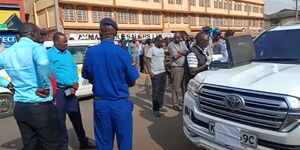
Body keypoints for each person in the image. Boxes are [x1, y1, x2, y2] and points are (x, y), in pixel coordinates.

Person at [0, 23, 60, 149]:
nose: (41, 36)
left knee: (30, 144)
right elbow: (43, 63)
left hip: (20, 107)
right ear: (32, 33)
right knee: (52, 144)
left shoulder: (6, 53)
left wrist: (7, 84)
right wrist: (45, 87)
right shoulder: (36, 48)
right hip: (40, 106)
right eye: (40, 33)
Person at [82, 18, 139, 150]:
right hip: (120, 104)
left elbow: (88, 77)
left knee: (103, 142)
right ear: (116, 34)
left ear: (100, 32)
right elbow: (132, 81)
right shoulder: (122, 53)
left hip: (101, 103)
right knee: (124, 141)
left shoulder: (90, 52)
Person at [47, 32, 96, 150]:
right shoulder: (49, 55)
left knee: (77, 118)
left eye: (66, 41)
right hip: (59, 92)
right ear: (55, 42)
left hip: (71, 91)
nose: (66, 43)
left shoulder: (67, 53)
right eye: (63, 42)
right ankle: (63, 146)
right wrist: (67, 84)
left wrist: (75, 84)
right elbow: (51, 74)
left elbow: (74, 68)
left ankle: (83, 142)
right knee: (60, 122)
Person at [146, 36, 166, 118]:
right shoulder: (152, 49)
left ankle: (160, 106)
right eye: (160, 42)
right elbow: (147, 60)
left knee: (162, 90)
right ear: (156, 42)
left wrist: (165, 70)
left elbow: (163, 60)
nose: (162, 43)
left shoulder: (162, 50)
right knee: (156, 92)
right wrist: (150, 72)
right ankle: (155, 109)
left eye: (162, 41)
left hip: (162, 72)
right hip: (155, 73)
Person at [167, 32, 188, 111]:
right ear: (174, 37)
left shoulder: (182, 43)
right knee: (175, 87)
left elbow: (187, 51)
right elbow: (175, 56)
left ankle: (183, 101)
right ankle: (175, 104)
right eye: (176, 37)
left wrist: (181, 53)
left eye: (179, 37)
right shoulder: (170, 45)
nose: (177, 39)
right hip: (176, 68)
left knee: (183, 86)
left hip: (184, 67)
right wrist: (183, 53)